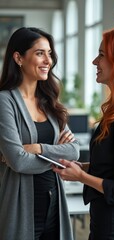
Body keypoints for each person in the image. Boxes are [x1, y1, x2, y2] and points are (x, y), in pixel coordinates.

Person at [53, 26, 114, 240]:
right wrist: (82, 167)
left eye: (101, 55)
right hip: (107, 222)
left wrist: (81, 177)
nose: (94, 62)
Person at [0, 27, 80, 240]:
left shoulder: (49, 103)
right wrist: (57, 159)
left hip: (54, 204)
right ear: (18, 57)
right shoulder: (4, 101)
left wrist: (38, 149)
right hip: (21, 207)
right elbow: (18, 161)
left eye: (50, 53)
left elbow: (74, 151)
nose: (48, 60)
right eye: (40, 53)